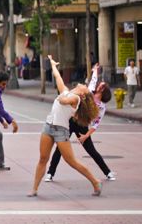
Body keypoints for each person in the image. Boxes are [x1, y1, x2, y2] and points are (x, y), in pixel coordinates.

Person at [28, 55, 102, 197]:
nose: (83, 85)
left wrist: (62, 99)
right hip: (48, 127)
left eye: (85, 87)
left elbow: (65, 101)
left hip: (61, 131)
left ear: (83, 94)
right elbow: (58, 78)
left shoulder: (76, 98)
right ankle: (34, 189)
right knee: (43, 158)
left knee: (71, 161)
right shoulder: (67, 91)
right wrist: (53, 65)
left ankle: (95, 181)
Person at [45, 63, 116, 182]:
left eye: (102, 85)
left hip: (83, 125)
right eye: (100, 84)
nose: (99, 84)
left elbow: (96, 124)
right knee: (60, 149)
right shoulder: (90, 91)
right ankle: (50, 173)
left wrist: (86, 136)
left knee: (91, 151)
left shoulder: (101, 107)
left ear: (103, 91)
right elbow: (93, 80)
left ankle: (107, 172)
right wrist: (95, 70)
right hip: (71, 121)